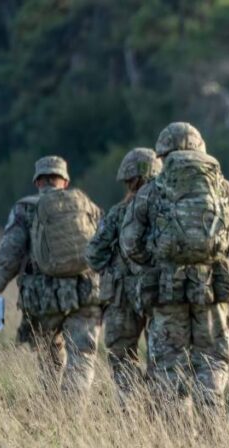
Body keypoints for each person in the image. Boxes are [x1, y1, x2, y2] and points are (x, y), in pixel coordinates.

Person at [120, 122, 229, 418]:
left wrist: (154, 264)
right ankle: (212, 435)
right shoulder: (223, 187)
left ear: (163, 154)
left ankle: (177, 443)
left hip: (167, 291)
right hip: (213, 292)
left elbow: (129, 240)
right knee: (212, 364)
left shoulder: (152, 189)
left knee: (170, 369)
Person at [0, 155, 102, 401]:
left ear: (37, 182)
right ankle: (73, 416)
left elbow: (10, 254)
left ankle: (51, 411)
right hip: (85, 293)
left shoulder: (25, 208)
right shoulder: (85, 204)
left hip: (43, 298)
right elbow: (103, 247)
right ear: (65, 181)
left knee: (49, 357)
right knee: (82, 356)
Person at [86, 148, 162, 406]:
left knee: (122, 358)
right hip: (160, 294)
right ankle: (159, 413)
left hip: (122, 296)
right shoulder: (166, 211)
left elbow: (94, 254)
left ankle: (130, 413)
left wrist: (116, 269)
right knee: (161, 360)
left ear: (133, 180)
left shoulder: (119, 212)